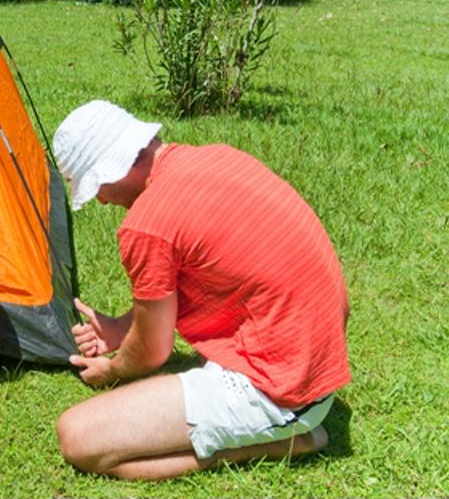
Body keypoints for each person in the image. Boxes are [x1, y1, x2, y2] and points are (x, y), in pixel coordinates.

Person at [52, 100, 350, 480]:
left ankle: (281, 440)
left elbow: (151, 353)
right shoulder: (218, 157)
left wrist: (111, 369)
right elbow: (212, 276)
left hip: (286, 389)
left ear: (115, 169)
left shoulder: (147, 225)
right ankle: (276, 426)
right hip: (315, 359)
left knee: (78, 437)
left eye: (97, 188)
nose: (102, 200)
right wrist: (123, 328)